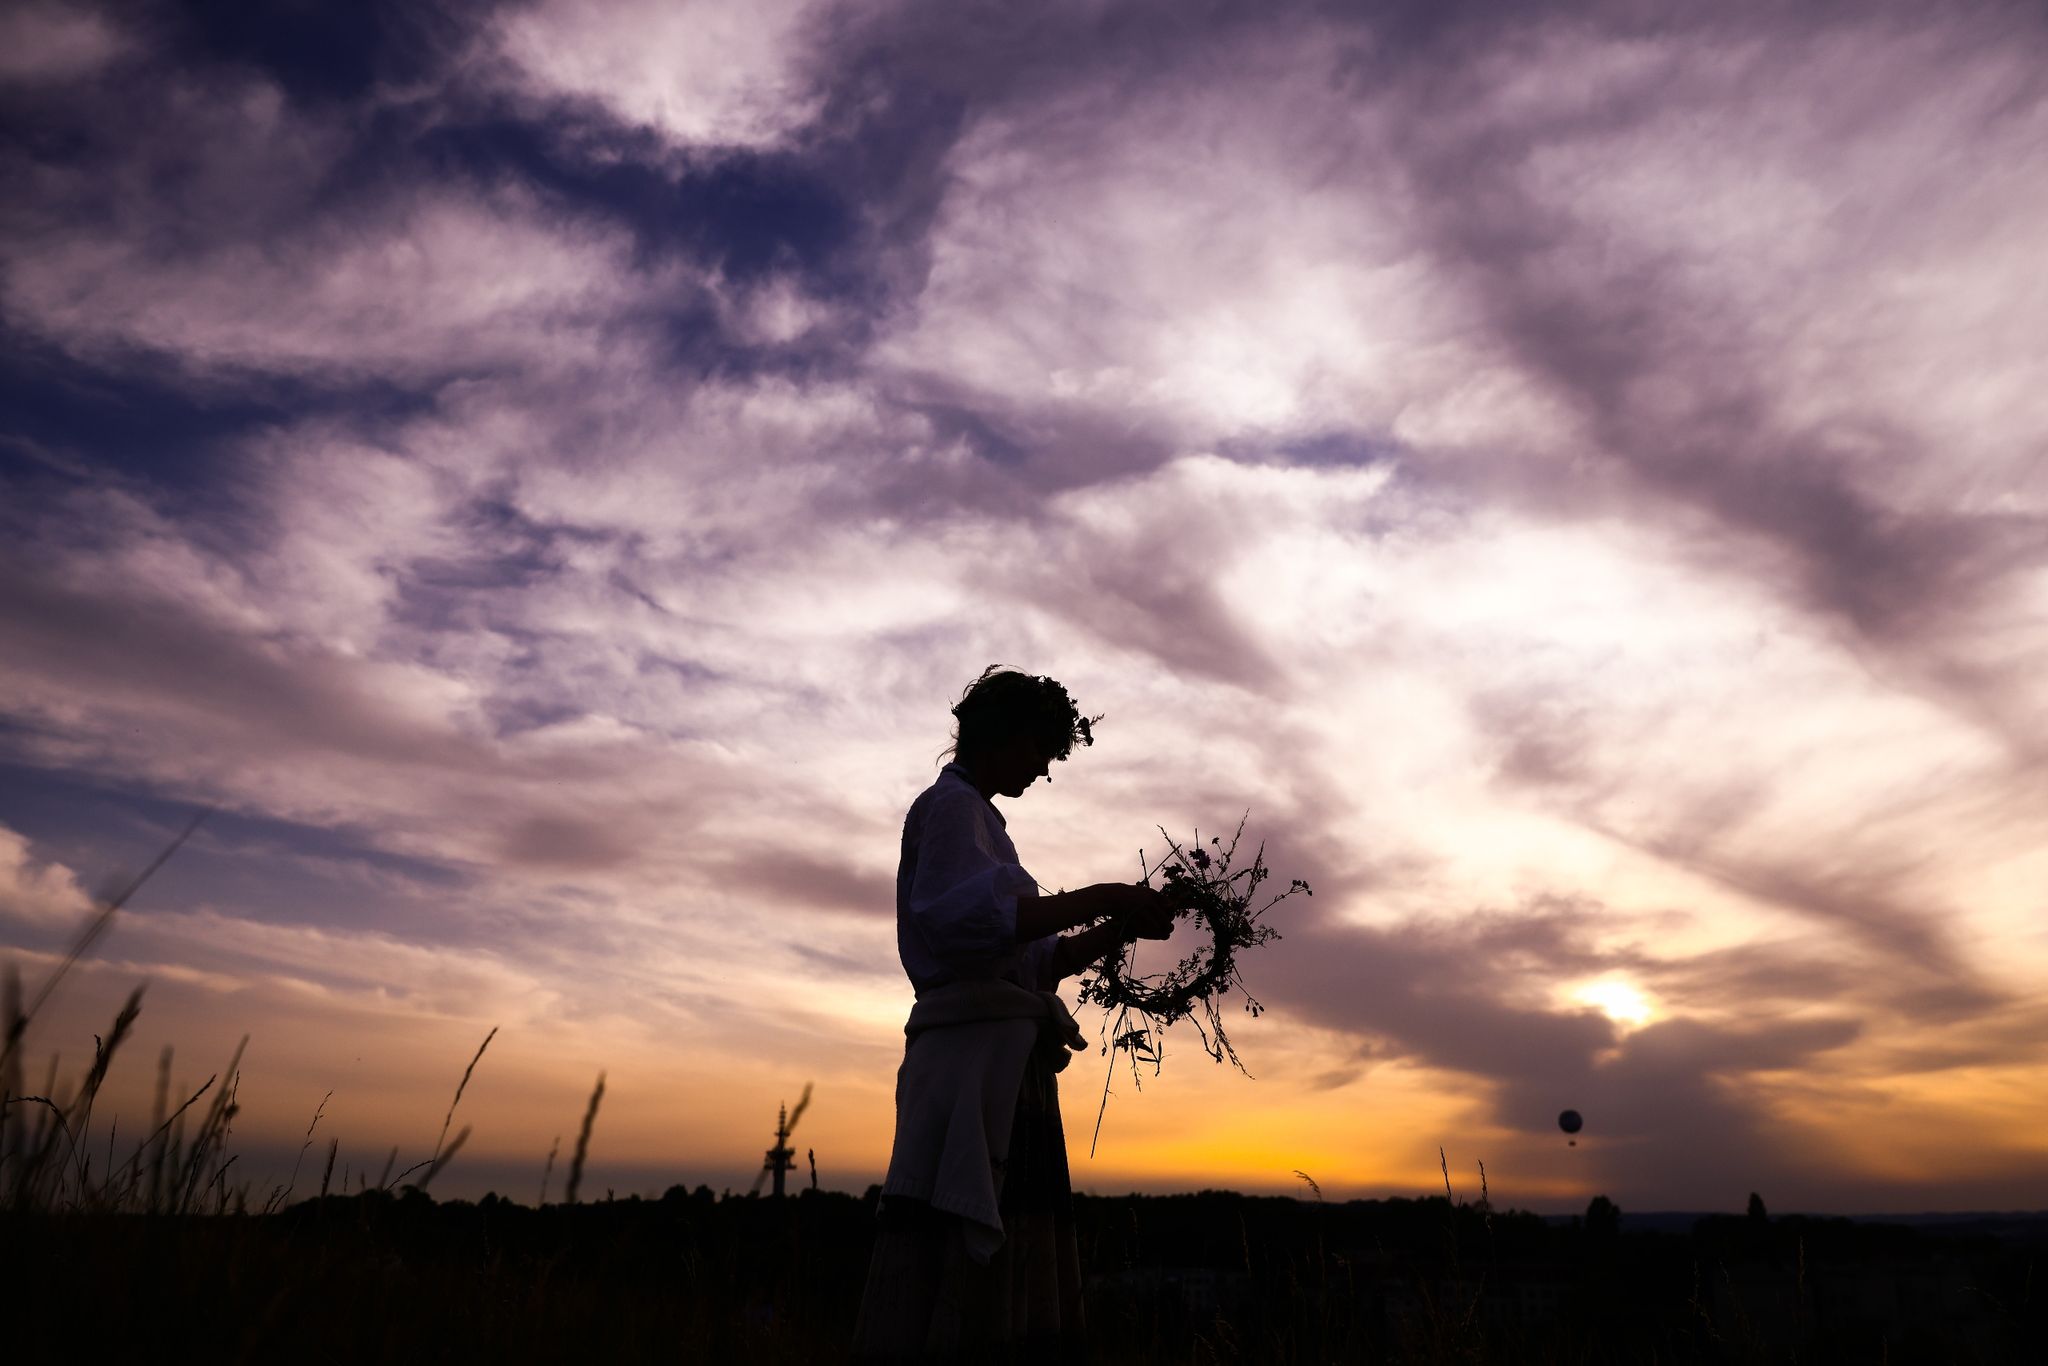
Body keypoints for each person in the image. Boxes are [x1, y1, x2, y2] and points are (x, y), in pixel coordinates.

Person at [852, 668, 1178, 1364]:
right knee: (961, 1276)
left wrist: (1120, 923)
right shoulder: (949, 811)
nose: (1043, 769)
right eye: (1040, 750)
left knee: (996, 1275)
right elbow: (965, 924)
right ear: (1005, 736)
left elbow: (1034, 962)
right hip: (972, 1066)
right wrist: (1107, 893)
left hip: (999, 1065)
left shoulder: (980, 824)